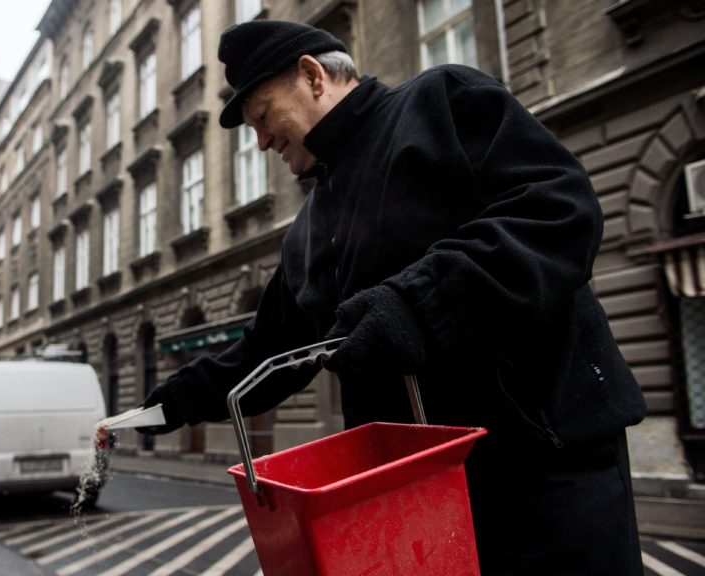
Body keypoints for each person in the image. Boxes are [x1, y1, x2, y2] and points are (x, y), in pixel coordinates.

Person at [139, 19, 647, 575]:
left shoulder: (442, 103)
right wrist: (168, 405)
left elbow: (559, 210)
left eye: (262, 117)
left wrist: (418, 304)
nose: (261, 142)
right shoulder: (306, 229)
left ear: (312, 76)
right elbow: (268, 350)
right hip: (415, 494)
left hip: (545, 470)